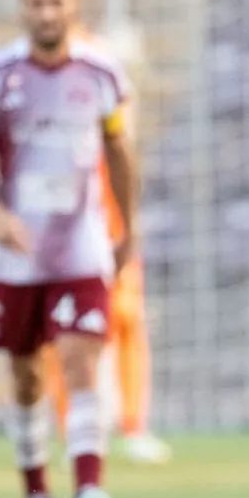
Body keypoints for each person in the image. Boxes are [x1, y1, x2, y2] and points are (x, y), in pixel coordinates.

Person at [0, 0, 140, 498]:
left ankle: (89, 490)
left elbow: (120, 152)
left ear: (74, 5)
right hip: (19, 254)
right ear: (22, 9)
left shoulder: (102, 73)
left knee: (83, 363)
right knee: (26, 376)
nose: (46, 13)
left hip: (81, 246)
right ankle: (36, 496)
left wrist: (128, 227)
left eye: (56, 2)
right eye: (36, 3)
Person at [44, 149, 172, 465]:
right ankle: (74, 431)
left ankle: (133, 426)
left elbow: (122, 163)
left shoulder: (108, 137)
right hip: (68, 243)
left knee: (127, 323)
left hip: (114, 240)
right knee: (68, 335)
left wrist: (128, 232)